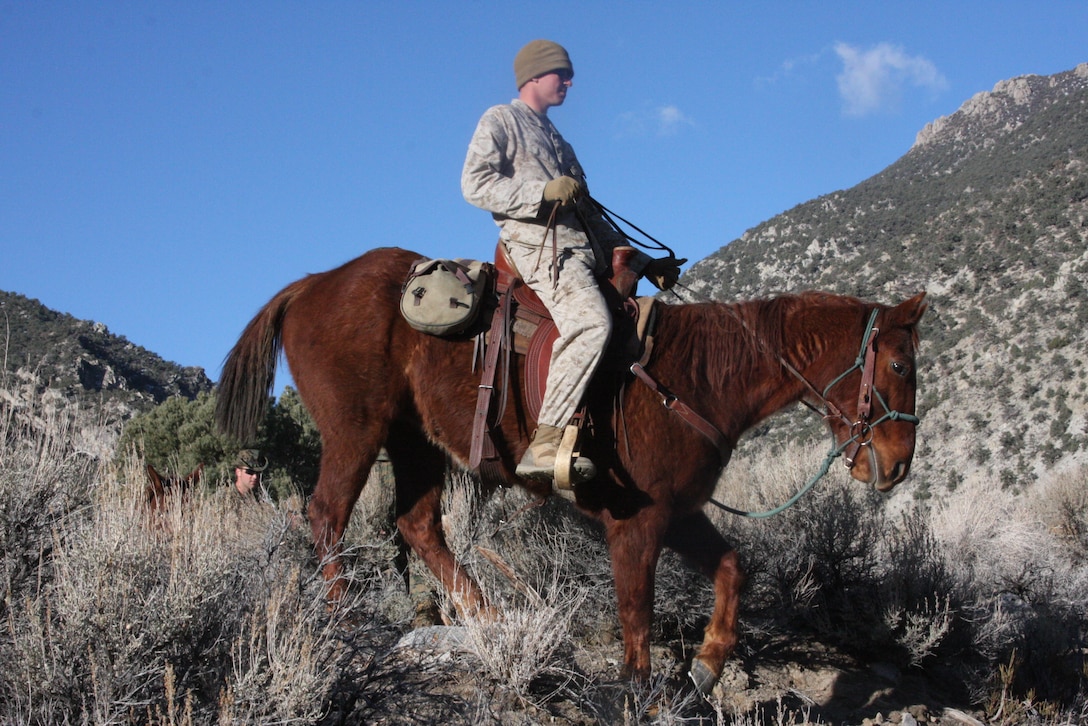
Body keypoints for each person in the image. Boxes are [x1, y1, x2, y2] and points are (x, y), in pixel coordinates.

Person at [462, 39, 683, 486]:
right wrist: (539, 193)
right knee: (591, 325)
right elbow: (474, 183)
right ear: (534, 77)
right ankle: (545, 443)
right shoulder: (500, 120)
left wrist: (640, 261)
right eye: (560, 73)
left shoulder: (560, 141)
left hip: (581, 251)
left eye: (568, 73)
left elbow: (590, 214)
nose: (569, 81)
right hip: (541, 249)